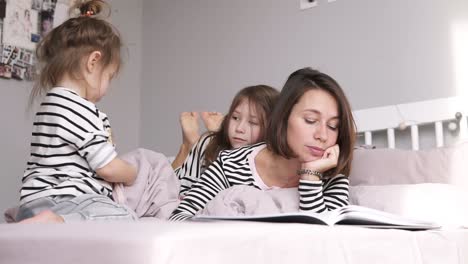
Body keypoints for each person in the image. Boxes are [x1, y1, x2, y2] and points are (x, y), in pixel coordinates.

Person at [169, 68, 356, 221]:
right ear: (283, 117)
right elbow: (178, 218)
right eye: (310, 120)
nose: (323, 135)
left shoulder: (333, 176)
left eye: (333, 126)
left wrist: (311, 175)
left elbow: (324, 240)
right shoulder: (231, 164)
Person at [16, 0, 137, 223]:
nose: (107, 87)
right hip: (69, 199)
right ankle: (62, 221)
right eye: (109, 76)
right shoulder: (80, 108)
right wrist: (132, 173)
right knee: (124, 216)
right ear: (93, 62)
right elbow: (108, 168)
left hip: (32, 200)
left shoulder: (51, 105)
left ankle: (35, 219)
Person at [173, 85, 279, 196]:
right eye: (235, 118)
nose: (239, 129)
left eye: (253, 122)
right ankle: (188, 145)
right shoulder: (208, 143)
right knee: (166, 178)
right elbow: (181, 187)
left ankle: (212, 131)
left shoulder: (275, 163)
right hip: (195, 163)